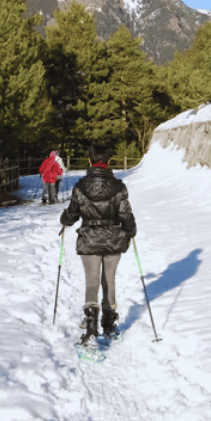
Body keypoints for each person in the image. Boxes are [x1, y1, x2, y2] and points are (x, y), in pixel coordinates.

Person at [59, 143, 137, 347]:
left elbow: (72, 214)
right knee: (109, 281)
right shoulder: (119, 187)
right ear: (109, 161)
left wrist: (64, 220)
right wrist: (131, 230)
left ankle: (91, 330)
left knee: (92, 281)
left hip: (90, 239)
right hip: (113, 239)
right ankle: (109, 326)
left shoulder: (80, 186)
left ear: (89, 160)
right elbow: (125, 214)